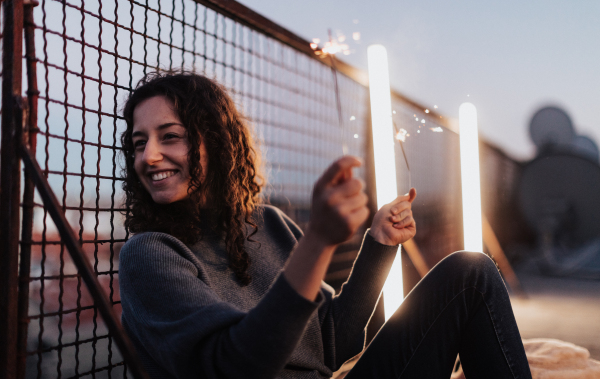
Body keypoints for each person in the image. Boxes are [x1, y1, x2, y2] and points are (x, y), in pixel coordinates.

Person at [118, 71, 532, 379]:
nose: (149, 156)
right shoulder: (150, 254)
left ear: (218, 141)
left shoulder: (269, 224)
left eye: (169, 136)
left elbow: (332, 344)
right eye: (139, 143)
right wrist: (317, 241)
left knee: (470, 271)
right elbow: (233, 368)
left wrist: (380, 245)